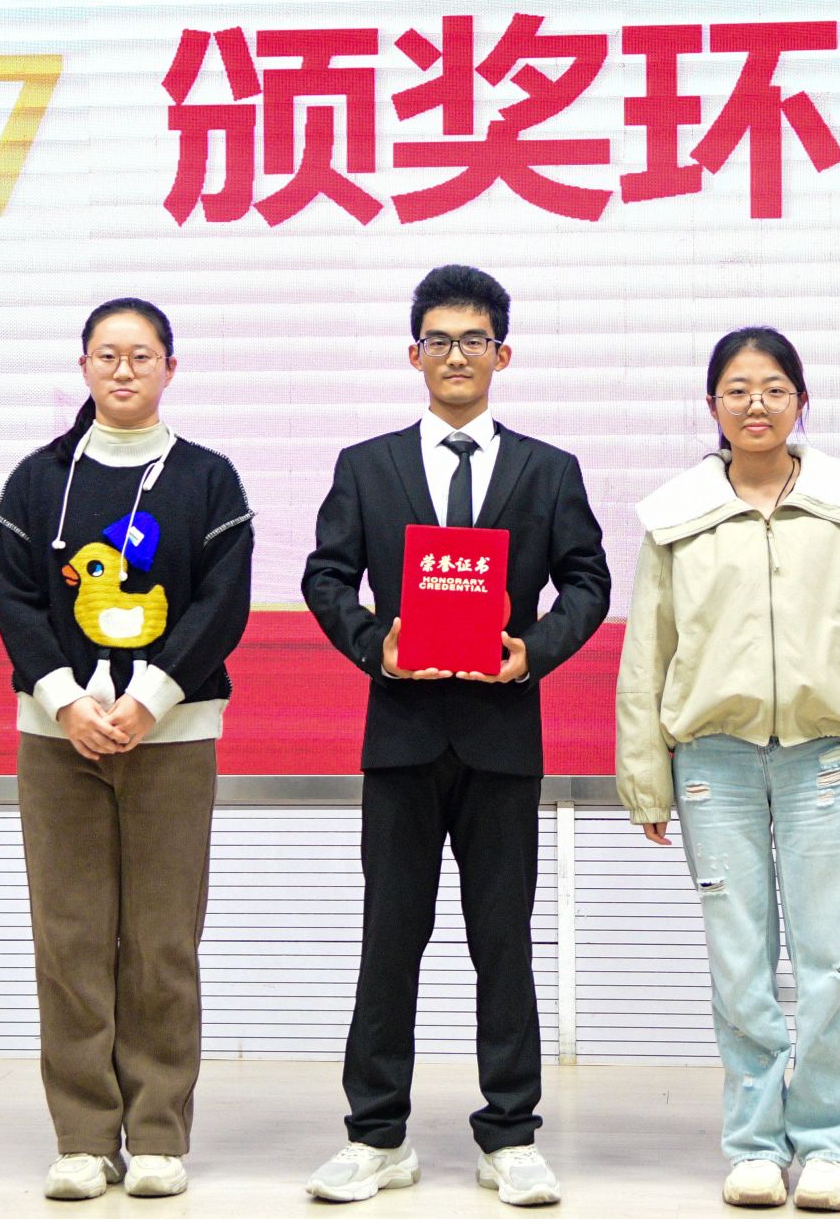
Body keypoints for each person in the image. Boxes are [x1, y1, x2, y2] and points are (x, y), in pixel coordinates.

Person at [300, 265, 611, 1207]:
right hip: (401, 735)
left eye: (474, 340)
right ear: (414, 355)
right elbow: (325, 576)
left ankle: (510, 1134)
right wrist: (377, 647)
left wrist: (533, 653)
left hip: (502, 737)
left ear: (502, 354)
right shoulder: (367, 465)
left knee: (502, 941)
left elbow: (588, 582)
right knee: (389, 939)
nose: (456, 356)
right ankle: (375, 1135)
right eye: (439, 340)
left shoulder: (548, 470)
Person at [614, 326, 840, 1212]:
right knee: (738, 960)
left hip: (826, 758)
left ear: (801, 401)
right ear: (712, 404)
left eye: (775, 388)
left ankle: (834, 1143)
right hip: (711, 760)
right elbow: (647, 652)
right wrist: (645, 774)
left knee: (830, 957)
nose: (757, 404)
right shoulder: (676, 517)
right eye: (738, 389)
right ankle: (753, 1143)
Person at [0, 296, 255, 1201]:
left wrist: (148, 702)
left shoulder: (208, 480)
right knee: (69, 938)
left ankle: (157, 1135)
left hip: (172, 736)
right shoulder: (37, 481)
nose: (124, 369)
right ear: (84, 368)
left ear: (170, 369)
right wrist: (65, 703)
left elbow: (221, 604)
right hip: (55, 738)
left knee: (161, 939)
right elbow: (17, 602)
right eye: (107, 354)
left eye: (142, 355)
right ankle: (84, 1136)